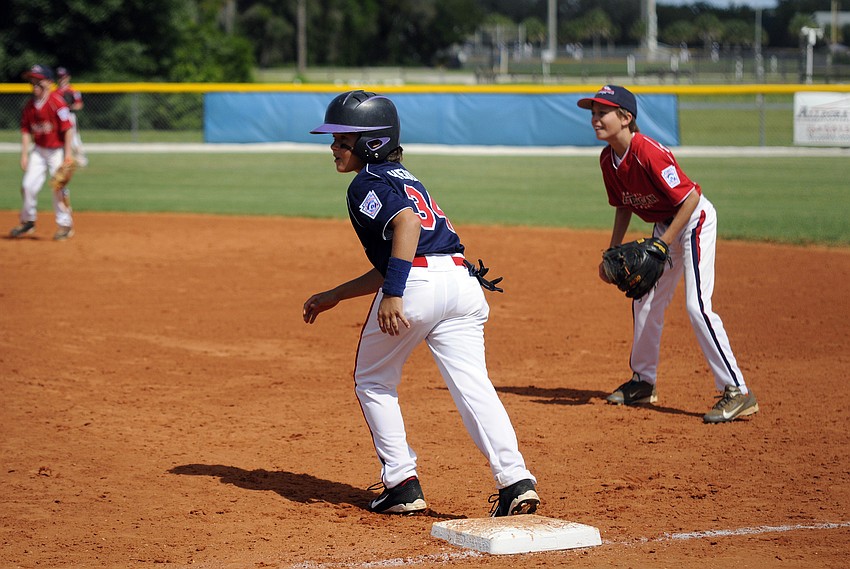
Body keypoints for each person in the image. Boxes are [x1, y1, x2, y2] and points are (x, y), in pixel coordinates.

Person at [303, 90, 539, 516]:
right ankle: (516, 480)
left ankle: (401, 483)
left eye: (342, 140)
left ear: (370, 142)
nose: (333, 148)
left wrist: (393, 294)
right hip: (460, 282)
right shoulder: (408, 178)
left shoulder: (367, 183)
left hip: (417, 285)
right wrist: (336, 295)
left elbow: (407, 228)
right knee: (474, 385)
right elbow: (399, 251)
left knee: (372, 380)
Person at [577, 85, 758, 424]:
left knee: (697, 305)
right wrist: (612, 252)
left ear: (626, 117)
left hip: (693, 222)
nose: (595, 118)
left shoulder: (648, 151)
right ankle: (643, 382)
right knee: (644, 300)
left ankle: (737, 390)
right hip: (666, 228)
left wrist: (662, 245)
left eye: (603, 112)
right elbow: (622, 206)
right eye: (593, 112)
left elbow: (690, 198)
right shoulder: (608, 159)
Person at [10, 64, 76, 241]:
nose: (34, 85)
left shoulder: (57, 102)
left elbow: (68, 129)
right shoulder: (30, 106)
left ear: (48, 82)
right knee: (28, 186)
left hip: (56, 151)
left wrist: (68, 155)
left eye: (38, 81)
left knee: (58, 187)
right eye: (32, 81)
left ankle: (65, 225)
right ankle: (28, 221)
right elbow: (26, 131)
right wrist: (24, 154)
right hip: (38, 151)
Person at [55, 67, 88, 167]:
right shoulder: (55, 92)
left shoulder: (73, 91)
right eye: (59, 77)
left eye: (63, 77)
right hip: (58, 117)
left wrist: (69, 106)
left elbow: (79, 105)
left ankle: (81, 158)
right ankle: (65, 157)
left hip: (69, 115)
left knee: (74, 138)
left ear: (68, 77)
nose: (61, 79)